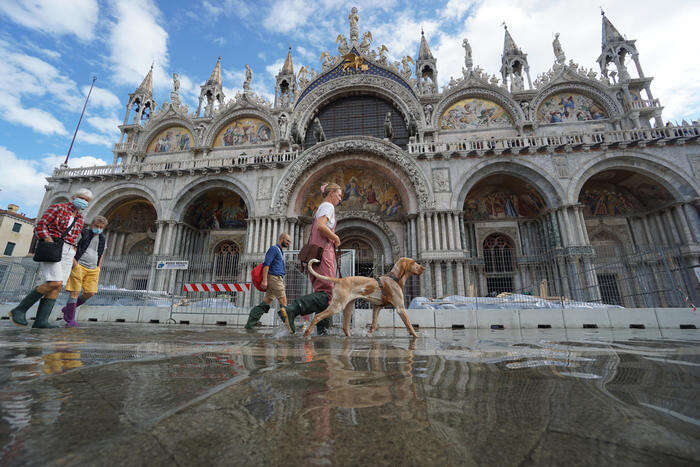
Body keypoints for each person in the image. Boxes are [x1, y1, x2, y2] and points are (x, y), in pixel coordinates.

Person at [8, 189, 92, 328]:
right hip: (53, 246)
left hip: (69, 251)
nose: (83, 201)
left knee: (58, 286)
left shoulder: (80, 218)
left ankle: (41, 321)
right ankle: (19, 309)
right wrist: (48, 239)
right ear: (74, 197)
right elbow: (41, 225)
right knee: (54, 282)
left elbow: (75, 235)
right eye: (81, 198)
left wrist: (74, 249)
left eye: (87, 200)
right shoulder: (58, 207)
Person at [282, 182, 342, 334]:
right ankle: (292, 309)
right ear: (332, 193)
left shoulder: (322, 207)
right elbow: (322, 226)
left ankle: (323, 331)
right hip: (322, 254)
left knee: (323, 291)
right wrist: (335, 237)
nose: (340, 199)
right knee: (327, 292)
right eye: (339, 195)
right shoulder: (328, 206)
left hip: (317, 254)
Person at [61, 216, 108, 328]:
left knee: (90, 293)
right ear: (92, 225)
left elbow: (100, 254)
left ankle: (68, 309)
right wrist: (75, 263)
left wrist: (99, 267)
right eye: (97, 226)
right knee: (75, 292)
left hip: (93, 269)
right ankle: (70, 319)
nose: (98, 229)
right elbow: (73, 247)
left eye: (101, 227)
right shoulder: (83, 233)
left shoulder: (102, 238)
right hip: (79, 266)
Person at [245, 233, 292, 330]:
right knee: (283, 301)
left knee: (267, 301)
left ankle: (250, 324)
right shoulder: (274, 249)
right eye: (287, 240)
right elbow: (266, 264)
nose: (288, 243)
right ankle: (289, 326)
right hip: (274, 278)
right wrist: (265, 281)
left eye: (289, 241)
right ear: (281, 238)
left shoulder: (280, 251)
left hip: (277, 278)